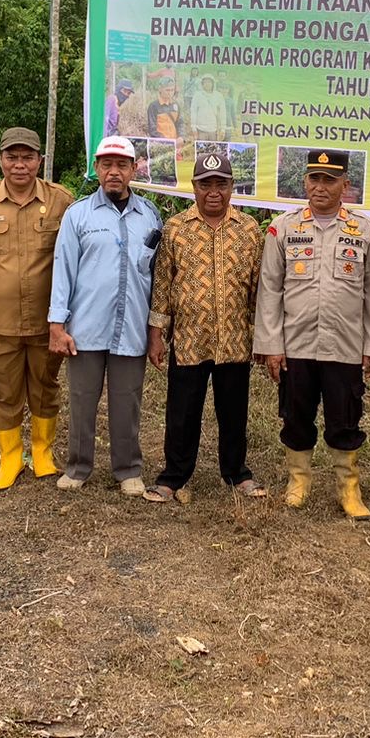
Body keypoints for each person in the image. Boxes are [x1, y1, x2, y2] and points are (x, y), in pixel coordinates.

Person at [254, 149, 370, 518]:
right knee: (296, 416)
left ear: (346, 185)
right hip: (296, 345)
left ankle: (349, 489)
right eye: (314, 179)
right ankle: (298, 481)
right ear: (305, 182)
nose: (320, 187)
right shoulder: (283, 228)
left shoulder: (364, 230)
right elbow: (270, 290)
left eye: (330, 180)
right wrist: (271, 345)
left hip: (345, 346)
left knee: (344, 418)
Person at [144, 148, 266, 503]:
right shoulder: (176, 229)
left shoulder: (248, 229)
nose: (214, 191)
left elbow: (258, 287)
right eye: (206, 184)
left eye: (221, 184)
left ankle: (237, 472)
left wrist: (265, 337)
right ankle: (173, 476)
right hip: (188, 340)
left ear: (232, 187)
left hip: (234, 339)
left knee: (233, 412)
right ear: (194, 188)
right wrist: (156, 334)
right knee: (182, 413)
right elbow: (163, 286)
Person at [48, 135, 162, 494]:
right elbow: (62, 269)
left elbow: (157, 274)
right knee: (82, 400)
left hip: (131, 327)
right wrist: (57, 324)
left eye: (122, 165)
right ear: (96, 168)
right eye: (107, 165)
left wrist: (157, 327)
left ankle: (128, 470)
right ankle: (79, 467)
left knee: (127, 401)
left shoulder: (150, 215)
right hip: (85, 327)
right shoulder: (78, 214)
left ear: (133, 170)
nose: (114, 172)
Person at [0, 127, 74, 490]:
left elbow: (74, 258)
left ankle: (42, 452)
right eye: (12, 157)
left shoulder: (61, 201)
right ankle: (10, 458)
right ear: (1, 160)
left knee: (45, 386)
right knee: (6, 391)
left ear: (39, 161)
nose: (20, 165)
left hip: (47, 319)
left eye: (27, 157)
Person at [190, 74, 225, 141]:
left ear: (213, 83)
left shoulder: (218, 96)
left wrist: (223, 128)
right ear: (202, 84)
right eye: (205, 82)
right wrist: (193, 127)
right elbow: (193, 111)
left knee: (212, 149)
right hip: (200, 129)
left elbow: (223, 112)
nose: (207, 84)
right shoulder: (197, 95)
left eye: (209, 82)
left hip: (213, 129)